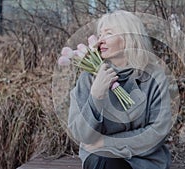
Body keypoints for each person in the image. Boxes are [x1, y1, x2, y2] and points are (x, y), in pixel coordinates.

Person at [68, 10, 172, 169]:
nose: (100, 40)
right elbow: (82, 135)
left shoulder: (154, 77)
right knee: (104, 162)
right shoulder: (88, 78)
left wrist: (106, 142)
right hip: (102, 159)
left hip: (144, 161)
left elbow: (157, 132)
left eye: (108, 34)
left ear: (129, 38)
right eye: (100, 34)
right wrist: (96, 96)